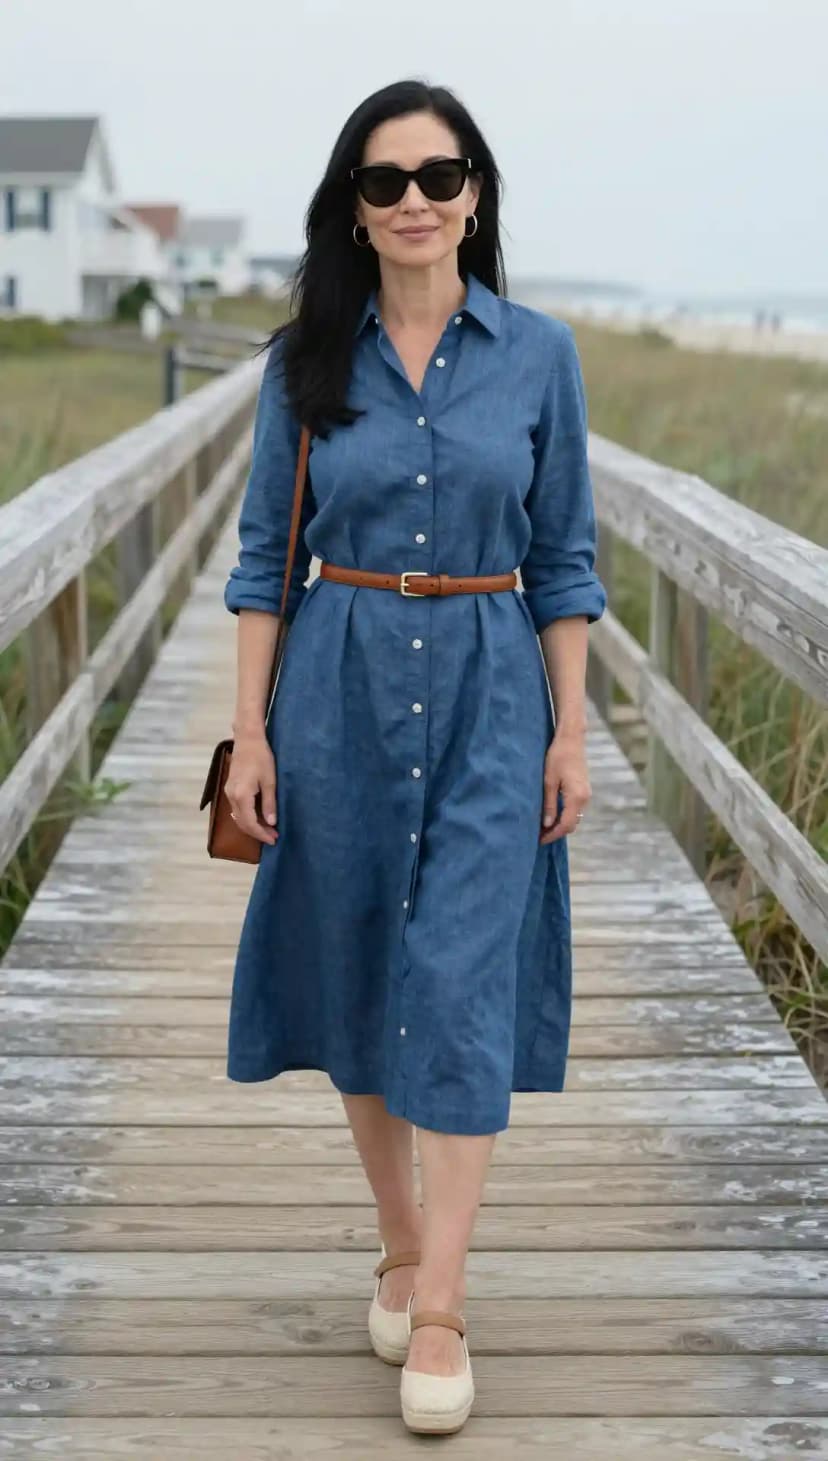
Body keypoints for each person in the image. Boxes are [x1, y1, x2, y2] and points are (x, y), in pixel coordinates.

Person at [222, 78, 606, 1436]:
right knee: (361, 968)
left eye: (439, 177)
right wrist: (251, 732)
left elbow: (564, 558)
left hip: (497, 691)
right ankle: (398, 1234)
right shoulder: (302, 367)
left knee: (457, 975)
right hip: (337, 683)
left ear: (475, 196)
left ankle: (438, 1297)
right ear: (353, 209)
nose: (415, 203)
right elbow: (266, 559)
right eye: (384, 183)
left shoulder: (540, 353)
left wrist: (570, 728)